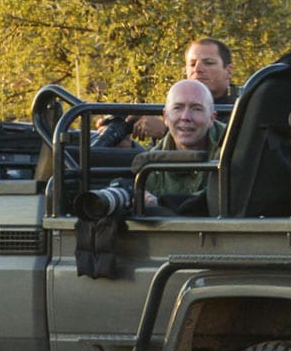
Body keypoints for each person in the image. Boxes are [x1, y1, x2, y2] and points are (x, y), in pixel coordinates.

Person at [101, 36, 236, 144]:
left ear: (228, 71)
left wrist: (166, 131)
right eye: (192, 64)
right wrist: (127, 144)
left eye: (208, 63)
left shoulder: (241, 109)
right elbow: (157, 160)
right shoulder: (173, 104)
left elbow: (229, 151)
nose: (198, 69)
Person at [133, 79, 221, 216]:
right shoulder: (150, 165)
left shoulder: (232, 146)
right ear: (165, 117)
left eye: (196, 108)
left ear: (212, 118)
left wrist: (162, 205)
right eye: (178, 108)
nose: (185, 117)